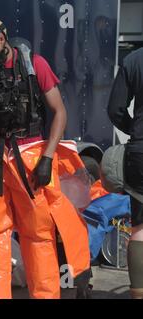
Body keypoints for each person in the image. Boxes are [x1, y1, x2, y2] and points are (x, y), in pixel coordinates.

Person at [0, 16, 91, 298]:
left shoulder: (34, 66)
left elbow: (59, 113)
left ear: (1, 41)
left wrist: (47, 159)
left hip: (30, 155)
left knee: (38, 235)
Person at [108, 47, 143, 299]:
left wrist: (136, 130)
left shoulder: (133, 59)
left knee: (140, 228)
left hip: (140, 152)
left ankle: (137, 292)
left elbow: (114, 109)